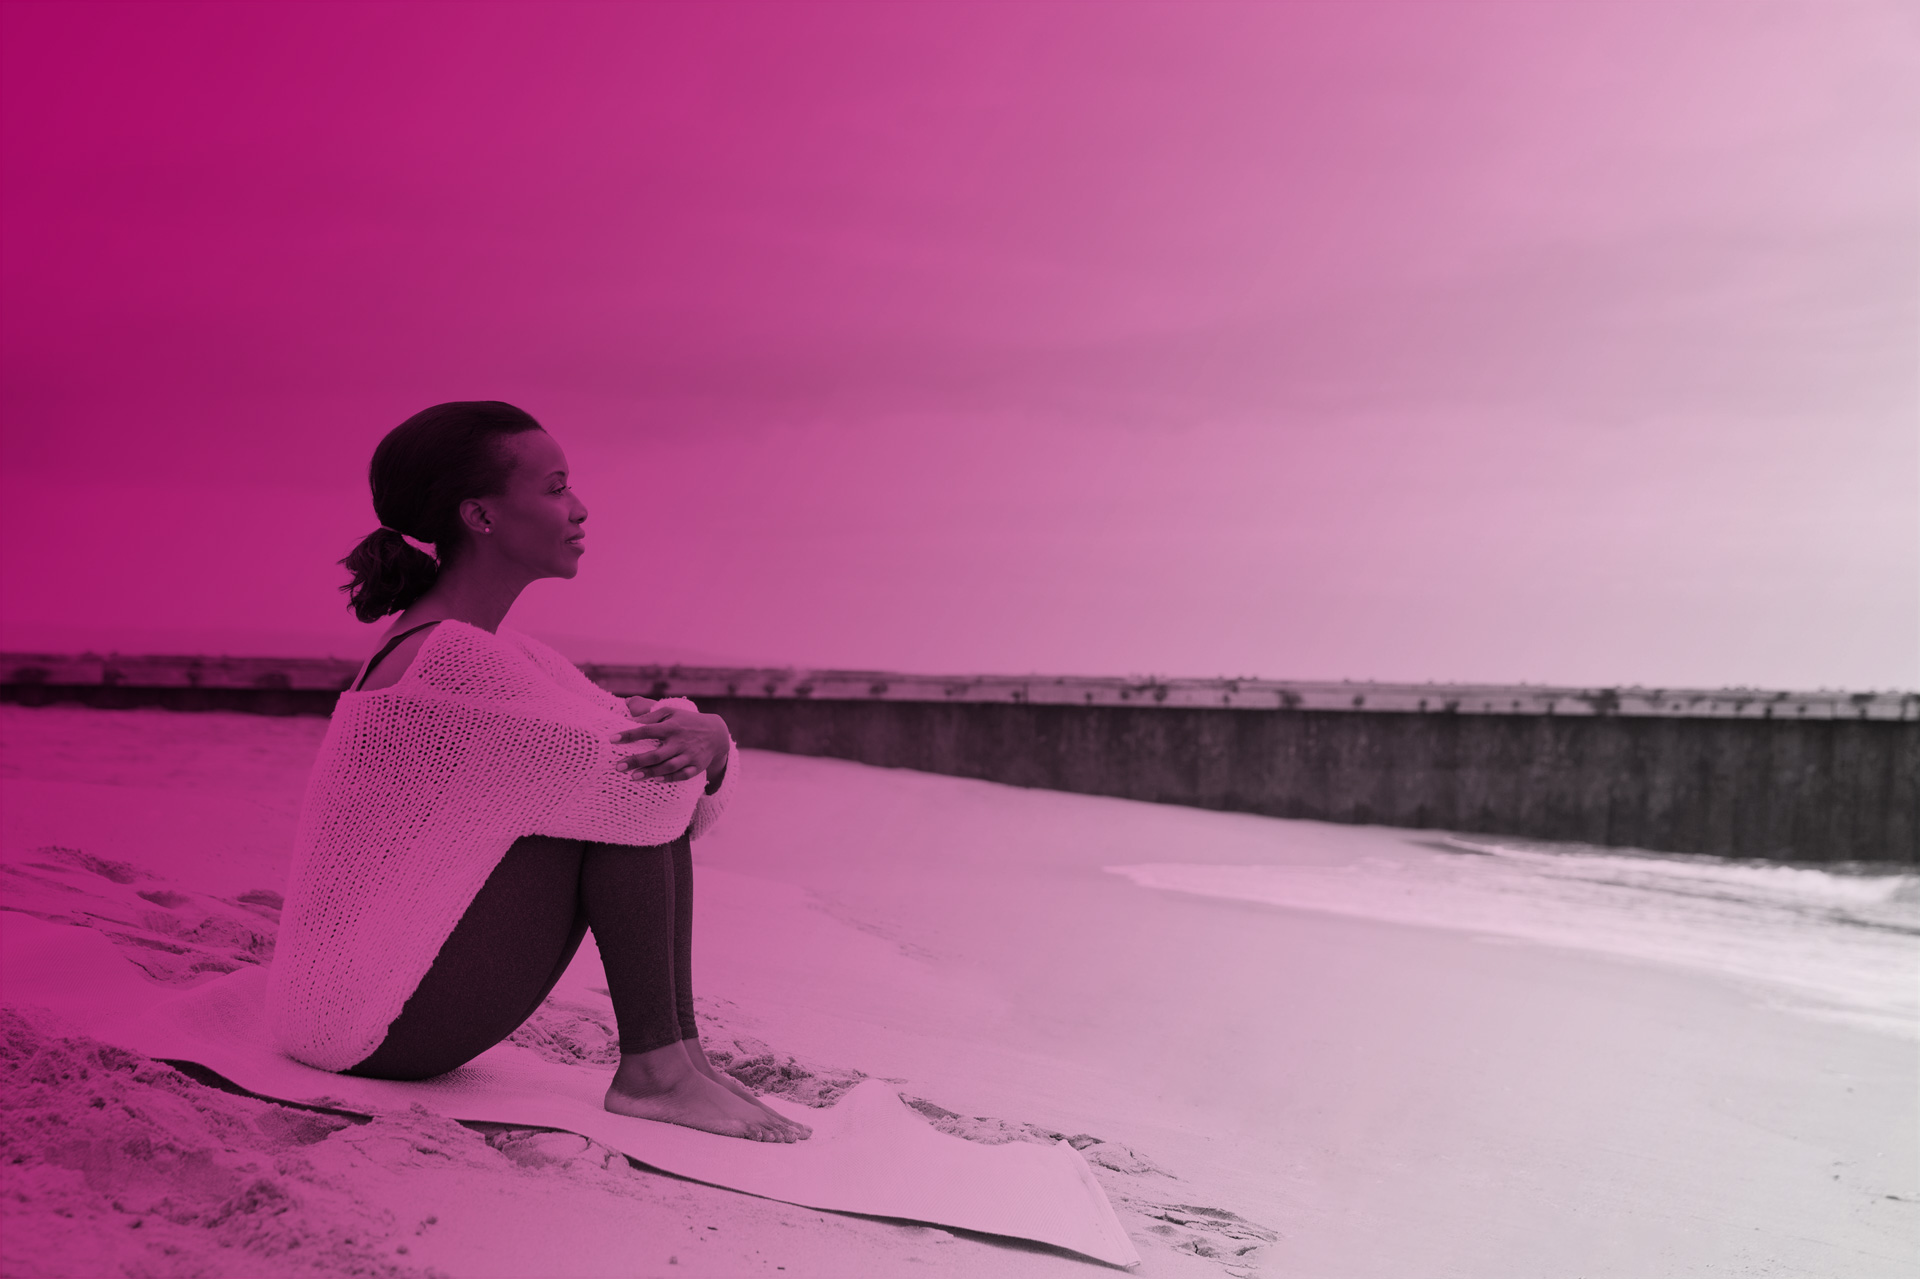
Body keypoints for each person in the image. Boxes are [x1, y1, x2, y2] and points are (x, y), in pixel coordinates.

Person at [265, 400, 807, 1142]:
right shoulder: (454, 660)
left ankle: (678, 1058)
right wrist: (703, 736)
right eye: (555, 488)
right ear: (481, 518)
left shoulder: (500, 651)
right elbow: (653, 794)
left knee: (629, 785)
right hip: (365, 1025)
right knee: (628, 794)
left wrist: (701, 741)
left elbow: (671, 789)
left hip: (349, 1004)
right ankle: (658, 1069)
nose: (579, 509)